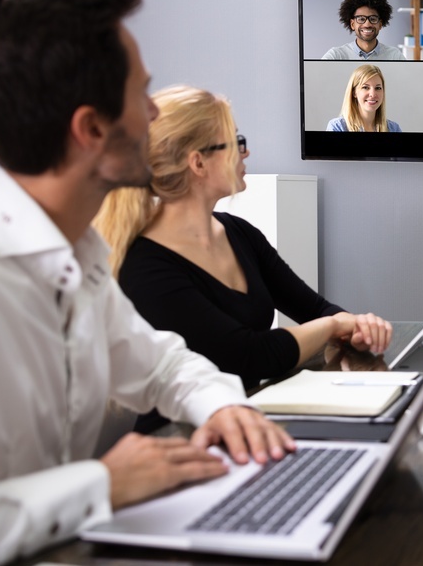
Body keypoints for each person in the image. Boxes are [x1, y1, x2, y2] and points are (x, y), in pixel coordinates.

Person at [0, 0, 295, 565]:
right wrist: (95, 486)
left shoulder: (78, 259)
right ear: (92, 129)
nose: (154, 113)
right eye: (140, 94)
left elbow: (159, 363)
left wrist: (222, 405)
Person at [96, 85, 394, 433]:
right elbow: (251, 355)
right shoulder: (145, 266)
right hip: (181, 442)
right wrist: (333, 327)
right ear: (198, 162)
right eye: (235, 143)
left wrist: (353, 328)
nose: (246, 151)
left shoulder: (239, 232)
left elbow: (314, 307)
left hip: (247, 422)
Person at [322, 0, 406, 60]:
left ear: (380, 24)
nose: (367, 24)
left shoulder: (395, 56)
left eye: (373, 19)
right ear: (352, 24)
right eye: (361, 19)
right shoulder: (336, 55)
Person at [326, 64, 402, 131]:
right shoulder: (337, 127)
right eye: (365, 87)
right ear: (354, 92)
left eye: (378, 88)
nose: (372, 94)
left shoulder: (394, 128)